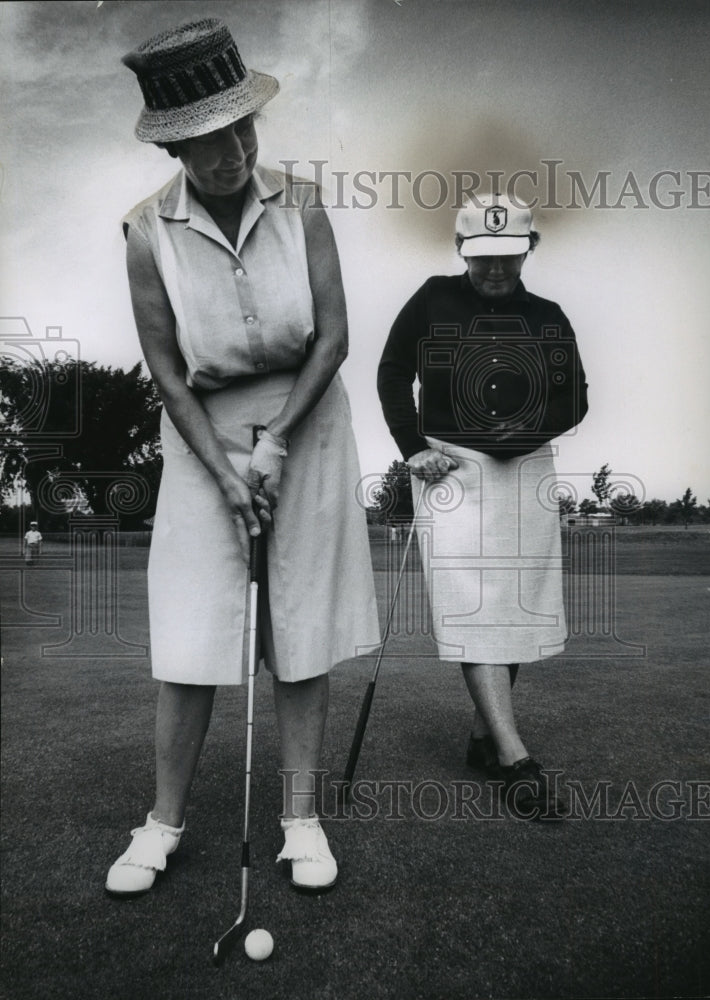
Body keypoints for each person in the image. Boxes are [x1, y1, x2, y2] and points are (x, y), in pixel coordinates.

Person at [106, 18, 379, 897]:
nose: (232, 151)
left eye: (243, 129)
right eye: (209, 138)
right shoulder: (146, 233)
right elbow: (166, 376)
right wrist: (226, 471)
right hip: (201, 438)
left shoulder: (301, 203)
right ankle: (162, 822)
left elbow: (332, 338)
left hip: (308, 423)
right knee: (191, 630)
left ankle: (302, 821)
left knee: (299, 626)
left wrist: (277, 444)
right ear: (174, 143)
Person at [377, 193, 589, 819]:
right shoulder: (432, 297)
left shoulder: (549, 315)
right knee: (472, 605)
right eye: (482, 258)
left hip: (524, 469)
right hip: (448, 469)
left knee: (516, 606)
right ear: (460, 250)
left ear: (530, 249)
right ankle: (515, 756)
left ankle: (481, 738)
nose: (495, 270)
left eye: (508, 257)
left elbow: (573, 398)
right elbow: (392, 372)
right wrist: (413, 448)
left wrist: (514, 438)